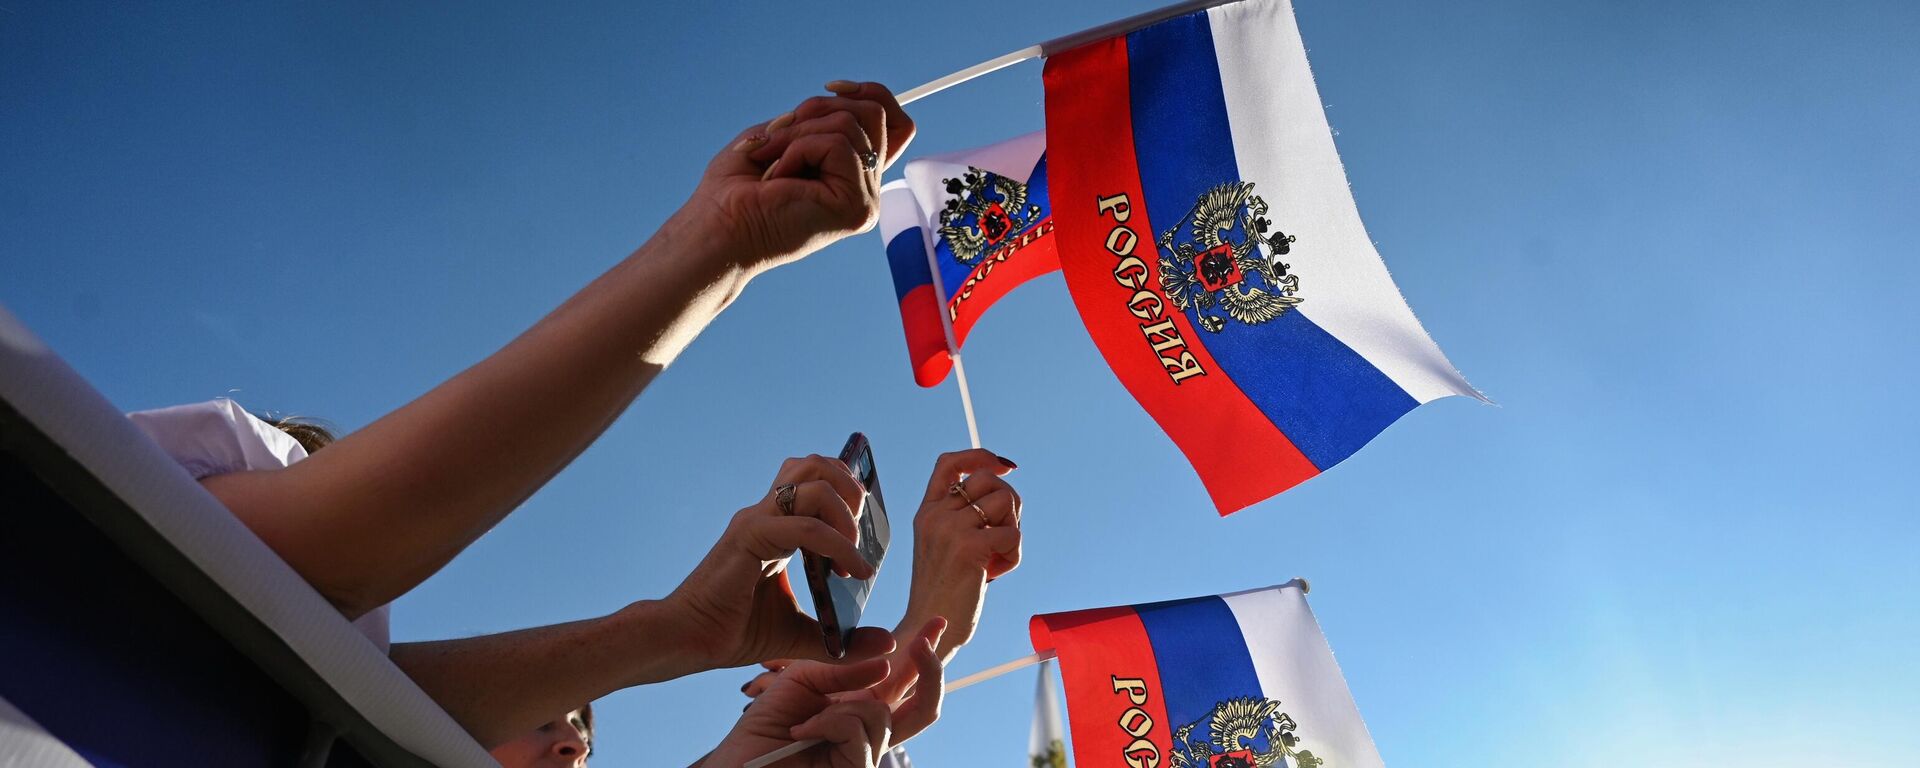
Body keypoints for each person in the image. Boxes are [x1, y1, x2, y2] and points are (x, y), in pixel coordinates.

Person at [125, 79, 1025, 757]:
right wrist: (718, 244)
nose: (571, 744)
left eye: (579, 723)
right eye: (546, 714)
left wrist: (698, 638)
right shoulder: (129, 575)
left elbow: (350, 695)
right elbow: (271, 593)